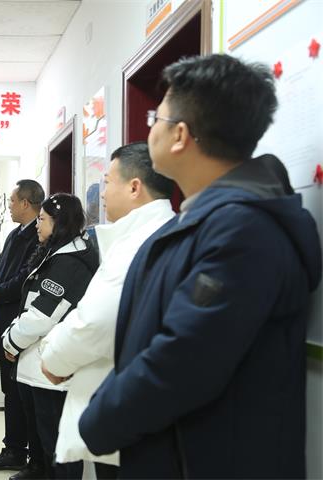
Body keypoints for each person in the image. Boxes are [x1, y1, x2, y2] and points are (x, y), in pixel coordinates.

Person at [78, 54, 322, 478]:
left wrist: (98, 419)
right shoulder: (203, 219)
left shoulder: (243, 230)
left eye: (157, 117)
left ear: (180, 135)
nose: (150, 127)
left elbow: (182, 361)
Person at [39, 142, 175, 479]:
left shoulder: (138, 243)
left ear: (134, 187)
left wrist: (53, 359)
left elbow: (95, 322)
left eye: (108, 182)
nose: (102, 192)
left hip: (123, 406)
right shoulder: (157, 232)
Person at [2, 193, 98, 479]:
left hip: (52, 367)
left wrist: (10, 341)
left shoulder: (72, 261)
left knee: (57, 446)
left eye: (42, 219)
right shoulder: (56, 252)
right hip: (35, 364)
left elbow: (43, 315)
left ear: (59, 223)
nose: (37, 225)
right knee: (42, 441)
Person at [0, 179, 44, 472]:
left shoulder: (37, 238)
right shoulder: (15, 234)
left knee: (20, 393)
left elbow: (23, 281)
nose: (10, 207)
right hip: (3, 322)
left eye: (12, 201)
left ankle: (20, 452)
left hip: (19, 324)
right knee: (10, 390)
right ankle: (14, 448)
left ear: (26, 203)